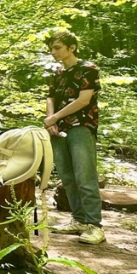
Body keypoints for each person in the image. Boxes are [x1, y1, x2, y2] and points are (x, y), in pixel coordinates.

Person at [44, 30, 105, 245]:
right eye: (51, 48)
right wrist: (50, 118)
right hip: (58, 130)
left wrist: (54, 118)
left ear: (72, 47)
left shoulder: (88, 69)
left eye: (57, 48)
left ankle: (94, 225)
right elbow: (50, 97)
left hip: (81, 127)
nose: (53, 52)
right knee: (67, 177)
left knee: (85, 176)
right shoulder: (57, 72)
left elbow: (83, 100)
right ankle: (79, 220)